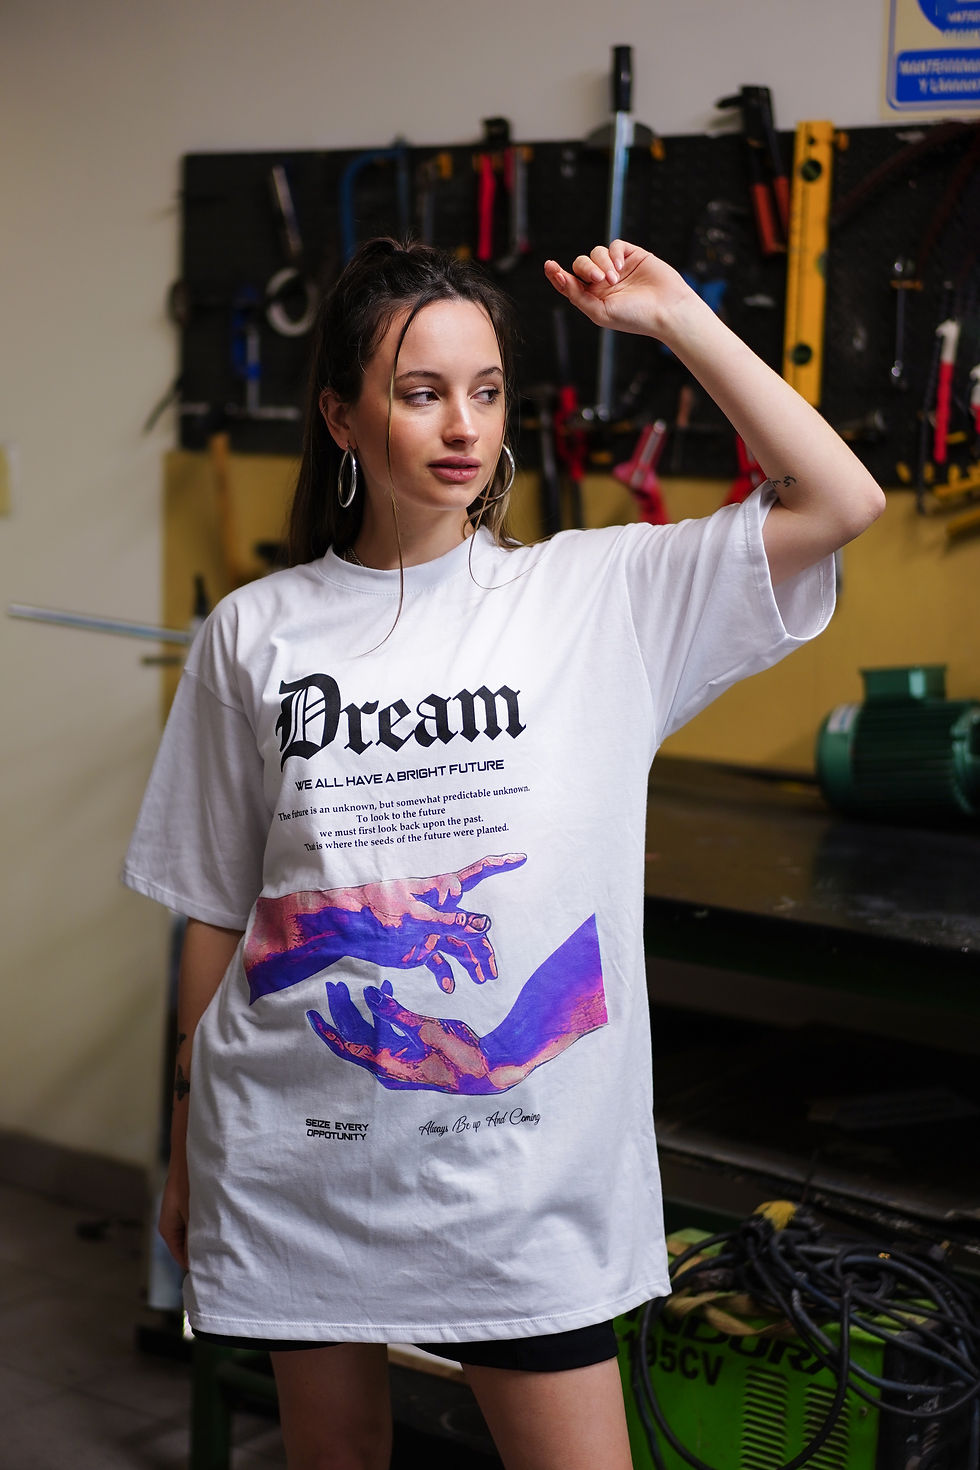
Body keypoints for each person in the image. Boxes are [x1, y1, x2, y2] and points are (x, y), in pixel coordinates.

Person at [123, 236, 884, 1470]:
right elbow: (217, 909)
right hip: (293, 1145)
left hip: (519, 1174)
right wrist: (185, 1145)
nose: (462, 426)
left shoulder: (599, 596)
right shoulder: (254, 632)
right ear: (340, 417)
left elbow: (838, 502)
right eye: (421, 392)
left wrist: (677, 319)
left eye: (484, 390)